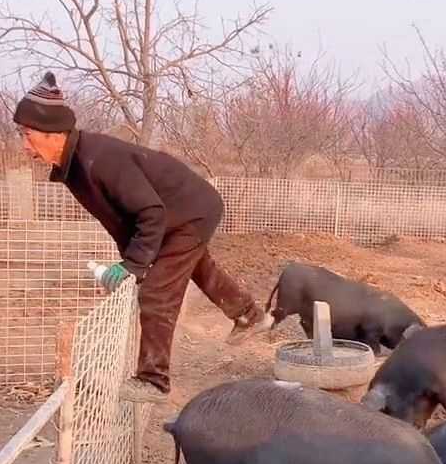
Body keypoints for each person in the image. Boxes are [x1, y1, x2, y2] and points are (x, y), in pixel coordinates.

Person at [14, 73, 271, 402]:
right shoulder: (77, 163)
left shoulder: (97, 160)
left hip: (187, 212)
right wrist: (133, 261)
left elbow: (149, 212)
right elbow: (125, 218)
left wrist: (135, 266)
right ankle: (250, 316)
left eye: (27, 134)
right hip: (179, 211)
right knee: (198, 268)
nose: (24, 145)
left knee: (157, 292)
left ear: (53, 133)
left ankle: (153, 381)